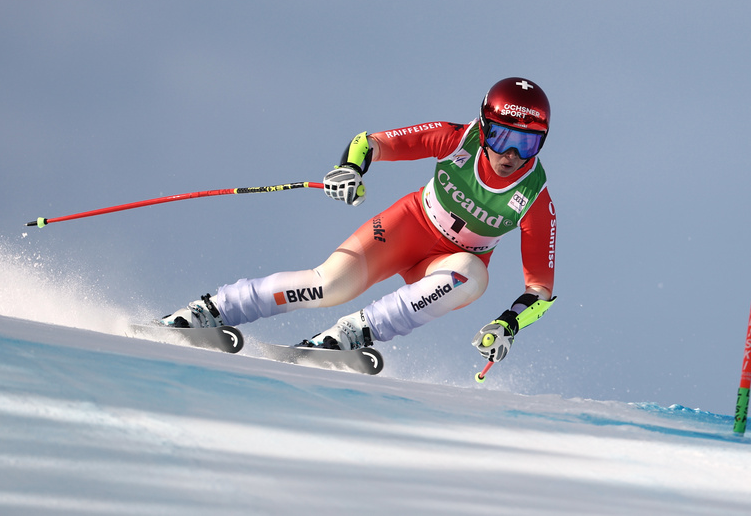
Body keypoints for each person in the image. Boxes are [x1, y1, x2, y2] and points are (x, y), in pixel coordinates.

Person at [159, 77, 557, 365]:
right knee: (328, 285)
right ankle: (212, 310)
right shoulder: (455, 139)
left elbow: (540, 290)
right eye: (502, 137)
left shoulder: (534, 198)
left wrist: (509, 324)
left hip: (448, 265)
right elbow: (370, 142)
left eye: (527, 143)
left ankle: (352, 334)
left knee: (472, 275)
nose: (511, 155)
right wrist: (350, 169)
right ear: (484, 128)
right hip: (409, 226)